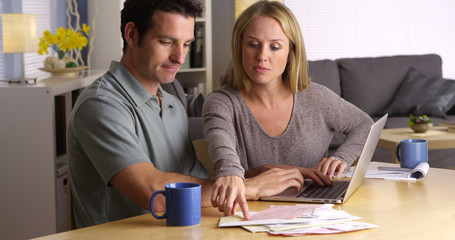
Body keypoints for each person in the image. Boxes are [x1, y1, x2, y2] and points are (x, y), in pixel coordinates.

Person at [67, 0, 304, 228]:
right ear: (131, 35)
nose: (179, 57)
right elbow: (155, 194)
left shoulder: (172, 105)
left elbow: (200, 185)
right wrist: (250, 187)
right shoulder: (101, 105)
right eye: (166, 42)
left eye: (186, 44)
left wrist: (251, 175)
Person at [203, 0, 373, 219]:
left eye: (275, 46)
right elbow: (225, 163)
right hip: (248, 216)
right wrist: (254, 173)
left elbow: (364, 123)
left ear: (291, 52)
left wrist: (342, 157)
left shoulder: (316, 97)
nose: (262, 56)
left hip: (319, 215)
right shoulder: (221, 103)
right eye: (253, 44)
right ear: (239, 47)